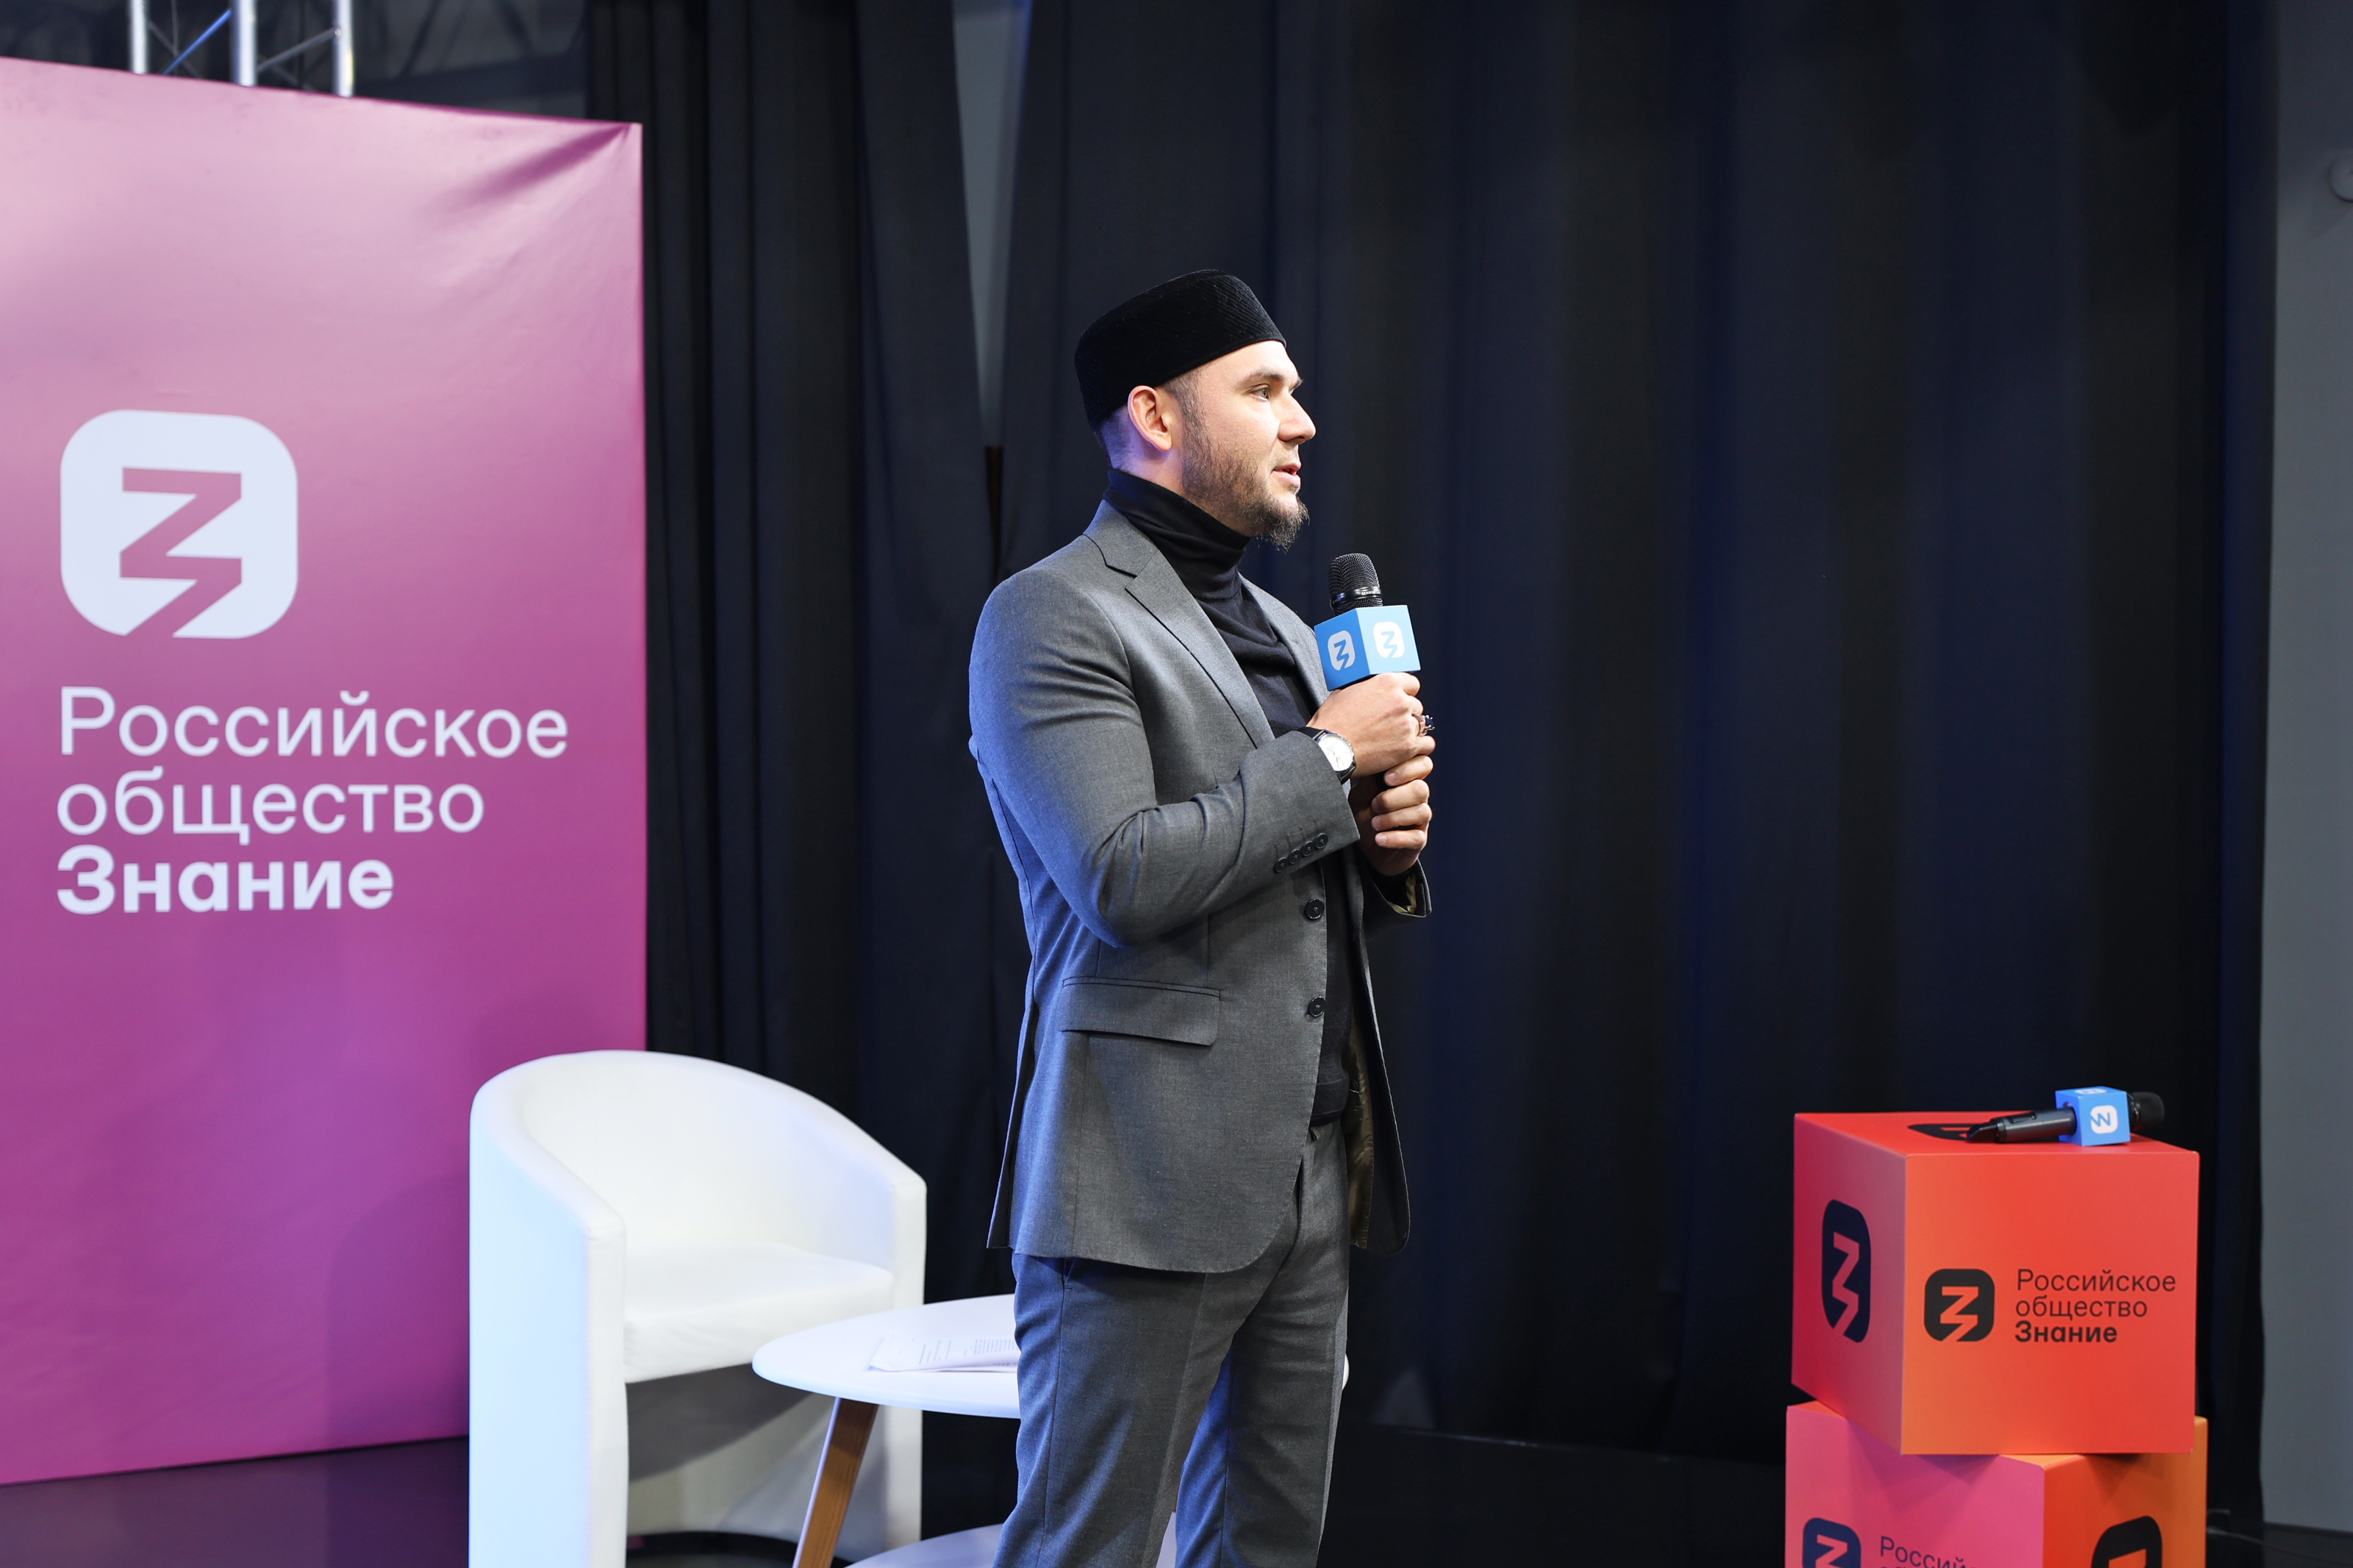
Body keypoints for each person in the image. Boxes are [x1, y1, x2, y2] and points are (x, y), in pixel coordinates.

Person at [968, 269, 1436, 1567]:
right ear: (1155, 416)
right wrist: (1329, 760)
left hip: (1306, 1169)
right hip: (1144, 1179)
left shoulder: (1281, 623)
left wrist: (1382, 850)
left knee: (1268, 1543)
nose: (1302, 421)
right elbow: (1120, 877)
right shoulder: (1051, 612)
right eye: (1265, 390)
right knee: (1091, 1545)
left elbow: (1285, 896)